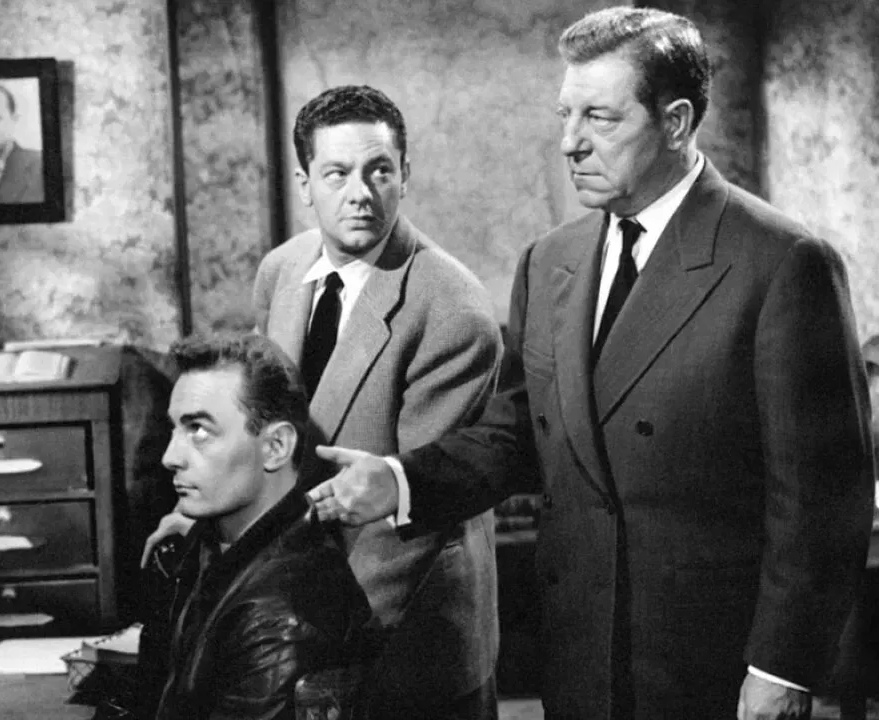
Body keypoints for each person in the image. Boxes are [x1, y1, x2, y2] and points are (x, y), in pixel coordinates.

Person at [307, 8, 875, 720]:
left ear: (675, 123)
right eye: (565, 115)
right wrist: (398, 480)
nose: (570, 142)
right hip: (581, 656)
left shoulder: (781, 262)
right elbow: (519, 433)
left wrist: (781, 668)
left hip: (714, 668)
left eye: (599, 118)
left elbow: (823, 500)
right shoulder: (550, 261)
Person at [145, 85, 503, 719]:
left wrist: (293, 621)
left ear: (405, 175)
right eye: (337, 173)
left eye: (379, 171)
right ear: (305, 184)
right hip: (294, 601)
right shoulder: (282, 271)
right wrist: (206, 531)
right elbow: (262, 430)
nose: (360, 193)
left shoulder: (454, 310)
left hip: (399, 628)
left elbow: (413, 514)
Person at [139, 333, 371, 720]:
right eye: (175, 429)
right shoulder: (205, 546)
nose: (170, 457)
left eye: (199, 430)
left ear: (275, 447)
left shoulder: (282, 620)